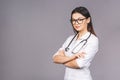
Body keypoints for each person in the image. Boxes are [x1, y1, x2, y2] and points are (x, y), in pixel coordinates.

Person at [52, 6, 99, 80]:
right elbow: (55, 58)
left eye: (80, 20)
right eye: (73, 20)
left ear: (88, 20)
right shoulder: (70, 39)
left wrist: (62, 59)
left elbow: (78, 64)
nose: (76, 23)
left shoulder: (93, 40)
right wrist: (73, 57)